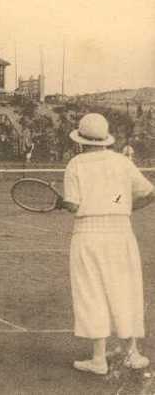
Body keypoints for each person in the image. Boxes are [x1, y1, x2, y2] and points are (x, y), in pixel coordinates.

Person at [62, 113, 155, 375]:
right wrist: (125, 208)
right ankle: (132, 354)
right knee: (126, 288)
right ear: (105, 139)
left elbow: (73, 205)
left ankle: (98, 359)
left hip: (88, 234)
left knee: (91, 291)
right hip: (121, 233)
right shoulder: (122, 162)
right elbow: (150, 192)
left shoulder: (75, 164)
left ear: (80, 140)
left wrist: (62, 203)